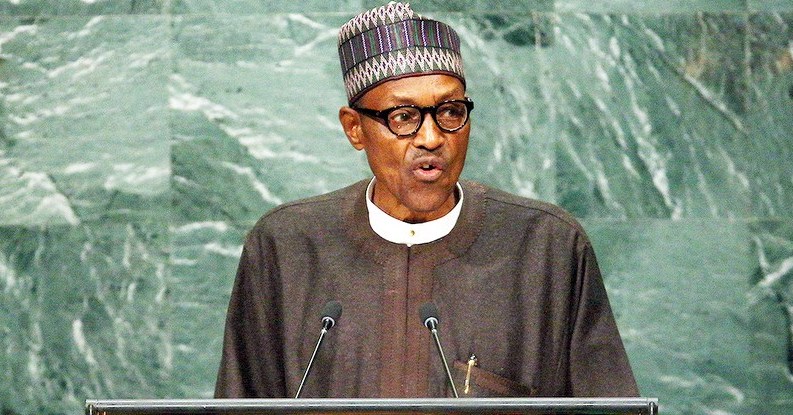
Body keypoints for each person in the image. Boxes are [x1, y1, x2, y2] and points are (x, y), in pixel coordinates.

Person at [214, 1, 639, 399]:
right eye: (404, 117)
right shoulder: (287, 246)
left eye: (451, 112)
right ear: (355, 129)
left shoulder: (546, 246)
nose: (432, 137)